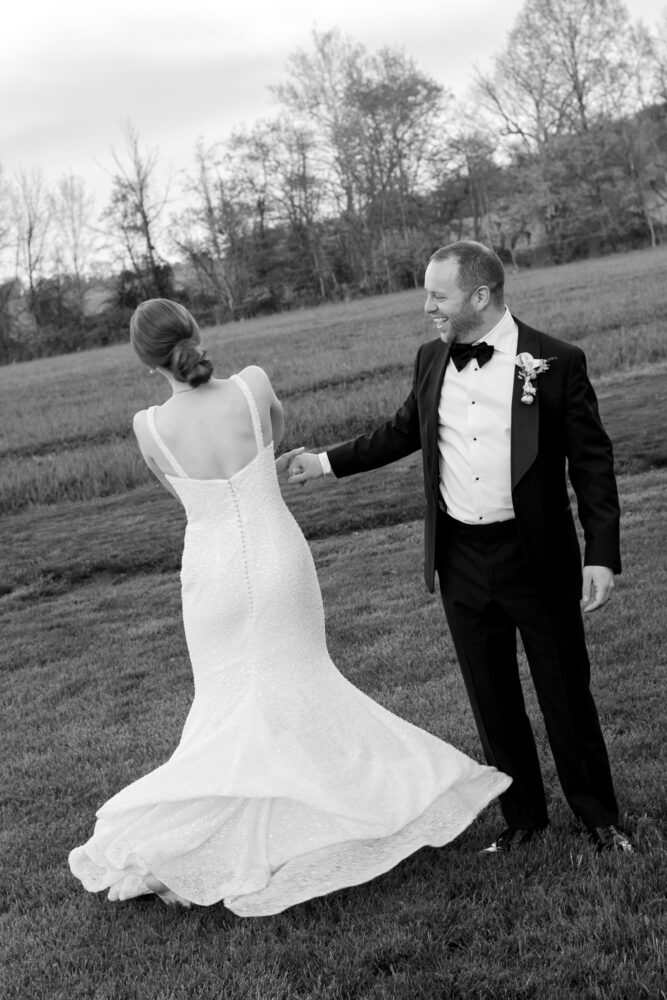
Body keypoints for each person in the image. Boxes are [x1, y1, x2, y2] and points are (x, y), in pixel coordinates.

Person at [68, 298, 510, 917]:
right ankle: (331, 813)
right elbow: (271, 437)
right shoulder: (253, 386)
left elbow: (183, 495)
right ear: (197, 332)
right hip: (276, 556)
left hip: (212, 573)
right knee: (302, 682)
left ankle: (237, 831)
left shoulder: (148, 427)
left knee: (224, 703)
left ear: (148, 365)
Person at [287, 240, 633, 855]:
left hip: (537, 555)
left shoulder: (556, 361)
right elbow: (401, 432)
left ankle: (598, 819)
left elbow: (592, 465)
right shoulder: (430, 360)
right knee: (491, 696)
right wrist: (321, 463)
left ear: (480, 296)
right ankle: (524, 820)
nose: (427, 307)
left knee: (564, 693)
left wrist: (600, 552)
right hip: (462, 558)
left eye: (437, 295)